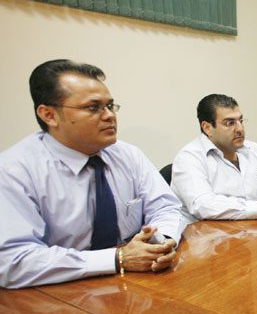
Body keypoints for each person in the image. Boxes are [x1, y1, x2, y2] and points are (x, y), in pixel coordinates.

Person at [0, 60, 185, 289]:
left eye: (110, 106)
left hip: (134, 282)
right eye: (93, 107)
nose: (109, 116)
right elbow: (13, 261)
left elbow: (166, 207)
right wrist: (116, 259)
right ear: (49, 115)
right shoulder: (13, 171)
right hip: (56, 293)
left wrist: (161, 242)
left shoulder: (127, 155)